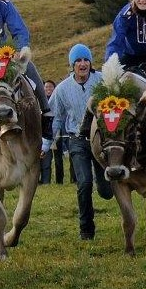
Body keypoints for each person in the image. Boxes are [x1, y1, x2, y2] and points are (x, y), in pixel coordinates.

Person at [48, 43, 112, 240]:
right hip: (77, 140)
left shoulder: (103, 81)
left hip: (101, 140)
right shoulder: (62, 90)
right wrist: (46, 143)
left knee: (106, 190)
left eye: (86, 60)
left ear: (90, 63)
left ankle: (105, 188)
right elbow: (56, 118)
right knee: (84, 182)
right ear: (72, 65)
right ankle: (86, 228)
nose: (83, 64)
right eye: (78, 61)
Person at [39, 79, 65, 185]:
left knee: (58, 159)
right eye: (46, 87)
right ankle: (46, 181)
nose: (48, 89)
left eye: (50, 87)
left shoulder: (58, 99)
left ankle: (60, 180)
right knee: (46, 159)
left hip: (58, 131)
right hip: (46, 132)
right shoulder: (40, 100)